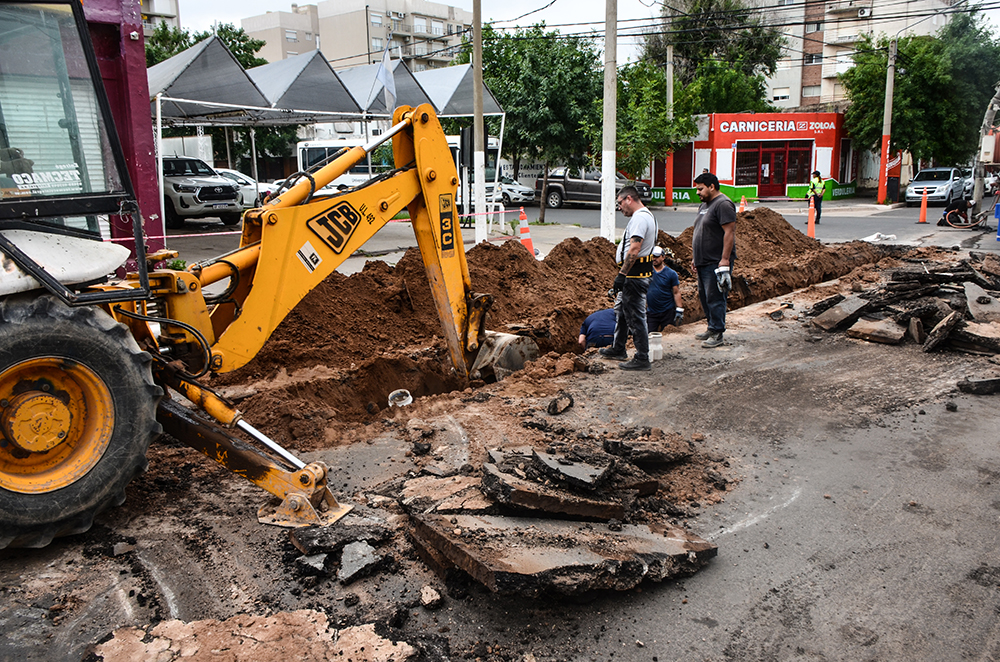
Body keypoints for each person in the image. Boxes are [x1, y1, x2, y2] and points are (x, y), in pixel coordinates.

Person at [599, 185, 658, 371]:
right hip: (637, 274)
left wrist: (622, 275)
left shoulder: (640, 218)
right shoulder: (645, 215)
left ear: (629, 199)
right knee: (623, 313)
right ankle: (618, 347)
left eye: (620, 203)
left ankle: (642, 357)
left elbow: (634, 249)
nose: (619, 208)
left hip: (634, 276)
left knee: (635, 316)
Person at [691, 172, 736, 349]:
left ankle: (718, 332)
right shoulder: (704, 205)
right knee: (704, 296)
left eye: (700, 189)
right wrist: (695, 258)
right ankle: (711, 327)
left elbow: (729, 233)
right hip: (703, 261)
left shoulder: (723, 204)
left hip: (716, 262)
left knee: (715, 297)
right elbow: (700, 231)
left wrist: (724, 260)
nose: (698, 192)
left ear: (712, 186)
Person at [646, 246, 684, 332]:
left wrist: (679, 309)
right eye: (652, 256)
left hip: (667, 312)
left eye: (656, 256)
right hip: (651, 312)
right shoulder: (647, 272)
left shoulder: (671, 274)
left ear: (663, 257)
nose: (654, 259)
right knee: (649, 336)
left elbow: (676, 292)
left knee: (668, 335)